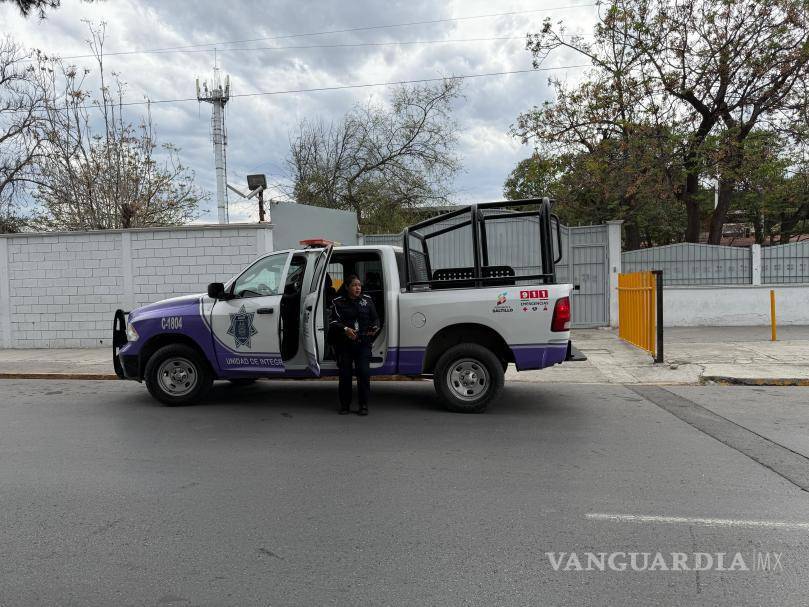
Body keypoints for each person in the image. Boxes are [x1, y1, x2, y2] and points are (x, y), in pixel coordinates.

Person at [328, 274, 379, 415]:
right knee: (345, 375)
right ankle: (345, 405)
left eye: (359, 285)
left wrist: (374, 328)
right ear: (347, 287)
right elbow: (333, 322)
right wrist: (345, 329)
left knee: (363, 373)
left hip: (363, 344)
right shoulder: (338, 302)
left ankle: (363, 405)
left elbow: (375, 319)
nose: (358, 288)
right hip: (345, 344)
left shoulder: (367, 301)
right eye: (354, 285)